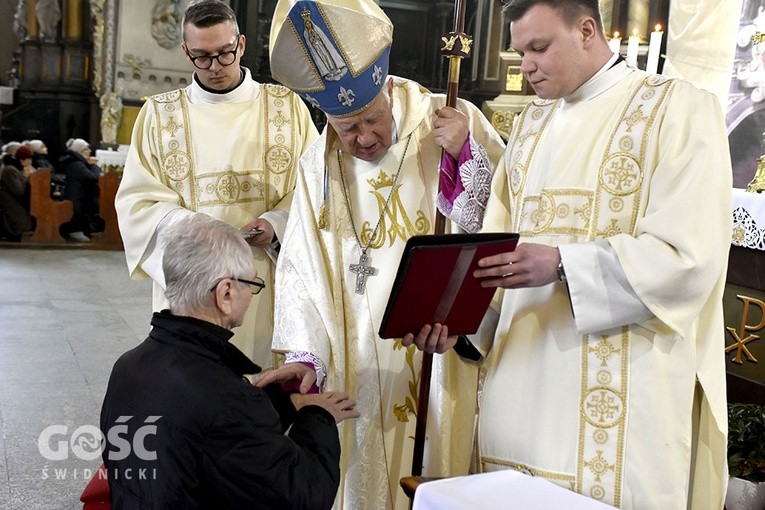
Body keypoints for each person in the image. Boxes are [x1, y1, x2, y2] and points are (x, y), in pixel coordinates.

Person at [429, 1, 732, 508]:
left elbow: (690, 256)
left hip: (623, 408)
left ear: (587, 29)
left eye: (538, 47)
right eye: (520, 50)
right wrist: (460, 327)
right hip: (518, 393)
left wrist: (565, 264)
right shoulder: (528, 128)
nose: (525, 65)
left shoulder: (678, 109)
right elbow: (496, 256)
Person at [258, 0, 506, 508]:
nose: (364, 138)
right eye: (347, 129)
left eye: (372, 120)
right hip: (354, 358)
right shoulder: (316, 165)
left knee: (436, 458)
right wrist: (307, 353)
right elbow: (301, 266)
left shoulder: (452, 122)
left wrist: (465, 157)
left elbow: (503, 226)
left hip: (438, 346)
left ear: (388, 89)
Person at [100, 213, 359, 509]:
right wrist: (317, 418)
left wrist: (280, 400)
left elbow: (204, 437)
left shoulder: (128, 365)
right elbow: (304, 497)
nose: (250, 295)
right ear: (225, 293)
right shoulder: (225, 397)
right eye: (251, 283)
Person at [115, 0, 319, 368]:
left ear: (241, 45)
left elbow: (316, 186)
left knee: (262, 390)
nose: (215, 67)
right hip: (192, 285)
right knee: (193, 391)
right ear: (185, 52)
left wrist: (276, 224)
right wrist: (206, 234)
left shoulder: (287, 107)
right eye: (201, 57)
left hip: (267, 279)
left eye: (225, 54)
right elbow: (137, 204)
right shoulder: (159, 115)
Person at [59, 138, 102, 242]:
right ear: (81, 151)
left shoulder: (78, 162)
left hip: (80, 195)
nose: (90, 151)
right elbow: (92, 178)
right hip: (76, 198)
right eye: (87, 149)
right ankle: (76, 231)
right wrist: (94, 166)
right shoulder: (76, 164)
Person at [0, 143, 35, 241]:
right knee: (23, 224)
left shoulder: (15, 168)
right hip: (12, 203)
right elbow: (19, 191)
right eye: (27, 159)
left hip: (17, 203)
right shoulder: (10, 170)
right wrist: (26, 177)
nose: (29, 161)